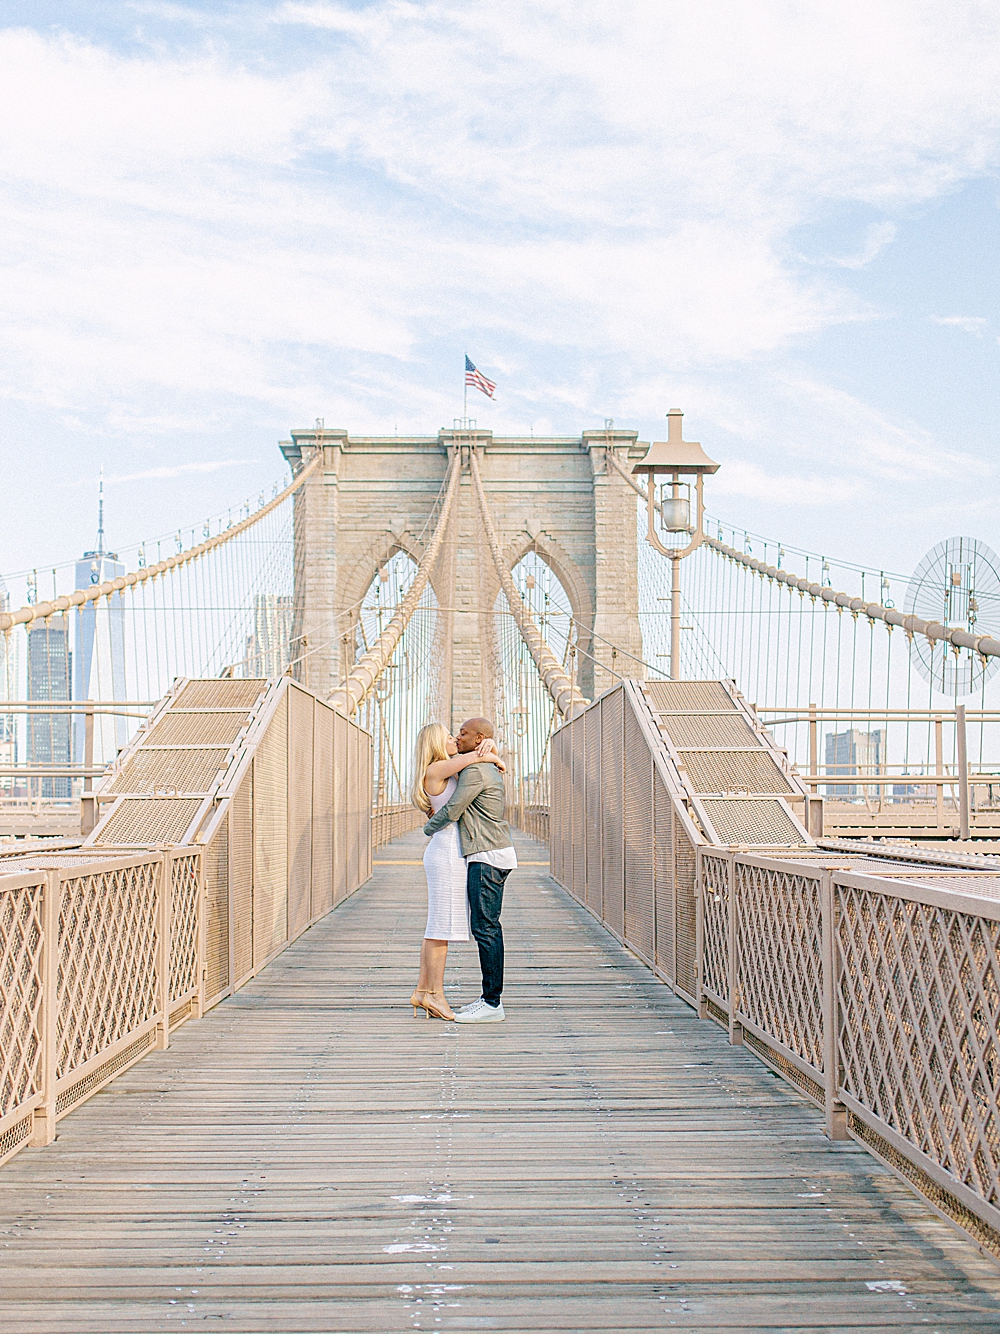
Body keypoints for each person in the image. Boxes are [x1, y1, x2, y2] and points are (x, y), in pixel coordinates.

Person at [423, 716, 516, 1024]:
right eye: (453, 734)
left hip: (485, 855)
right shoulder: (468, 764)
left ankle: (491, 1003)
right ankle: (431, 992)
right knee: (478, 927)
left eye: (462, 734)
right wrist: (489, 752)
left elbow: (453, 809)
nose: (457, 738)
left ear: (476, 739)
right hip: (479, 853)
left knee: (485, 928)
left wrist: (428, 829)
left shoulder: (473, 769)